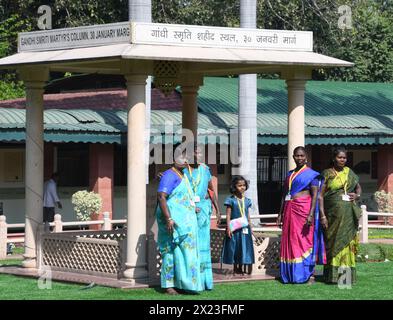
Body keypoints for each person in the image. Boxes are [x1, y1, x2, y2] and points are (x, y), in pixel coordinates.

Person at [278, 146, 326, 284]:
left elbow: (315, 195)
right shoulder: (289, 174)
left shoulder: (312, 175)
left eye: (301, 156)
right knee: (290, 240)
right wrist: (280, 213)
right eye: (296, 156)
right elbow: (284, 194)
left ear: (306, 157)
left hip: (303, 211)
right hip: (289, 209)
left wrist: (311, 215)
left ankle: (307, 273)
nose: (299, 158)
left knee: (304, 241)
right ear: (293, 157)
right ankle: (290, 274)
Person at [156, 154, 202, 295]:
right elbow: (161, 196)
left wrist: (192, 207)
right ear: (173, 160)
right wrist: (169, 218)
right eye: (182, 158)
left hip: (185, 221)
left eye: (187, 158)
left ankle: (182, 283)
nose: (186, 161)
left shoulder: (184, 175)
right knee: (170, 251)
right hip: (172, 221)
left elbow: (183, 196)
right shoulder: (169, 175)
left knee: (184, 253)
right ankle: (168, 285)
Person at [319, 147, 362, 284]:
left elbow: (358, 187)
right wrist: (323, 216)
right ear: (333, 158)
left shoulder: (350, 172)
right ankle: (332, 277)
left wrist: (357, 195)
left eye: (344, 158)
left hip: (348, 214)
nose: (342, 160)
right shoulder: (326, 173)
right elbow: (320, 196)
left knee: (347, 243)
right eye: (339, 157)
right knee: (333, 242)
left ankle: (346, 278)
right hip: (332, 216)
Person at [183, 145, 220, 290]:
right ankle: (191, 280)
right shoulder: (184, 171)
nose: (197, 155)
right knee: (192, 243)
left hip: (204, 209)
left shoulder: (205, 170)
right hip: (189, 211)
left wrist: (218, 209)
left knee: (203, 244)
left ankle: (205, 281)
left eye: (199, 153)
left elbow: (211, 189)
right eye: (194, 153)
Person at [221, 176, 255, 275]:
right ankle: (235, 267)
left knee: (244, 247)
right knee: (235, 247)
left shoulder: (247, 200)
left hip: (245, 228)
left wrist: (251, 227)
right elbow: (228, 215)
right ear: (234, 187)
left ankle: (241, 267)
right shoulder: (231, 200)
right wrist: (228, 227)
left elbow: (248, 215)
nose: (242, 187)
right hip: (235, 228)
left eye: (244, 185)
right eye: (239, 185)